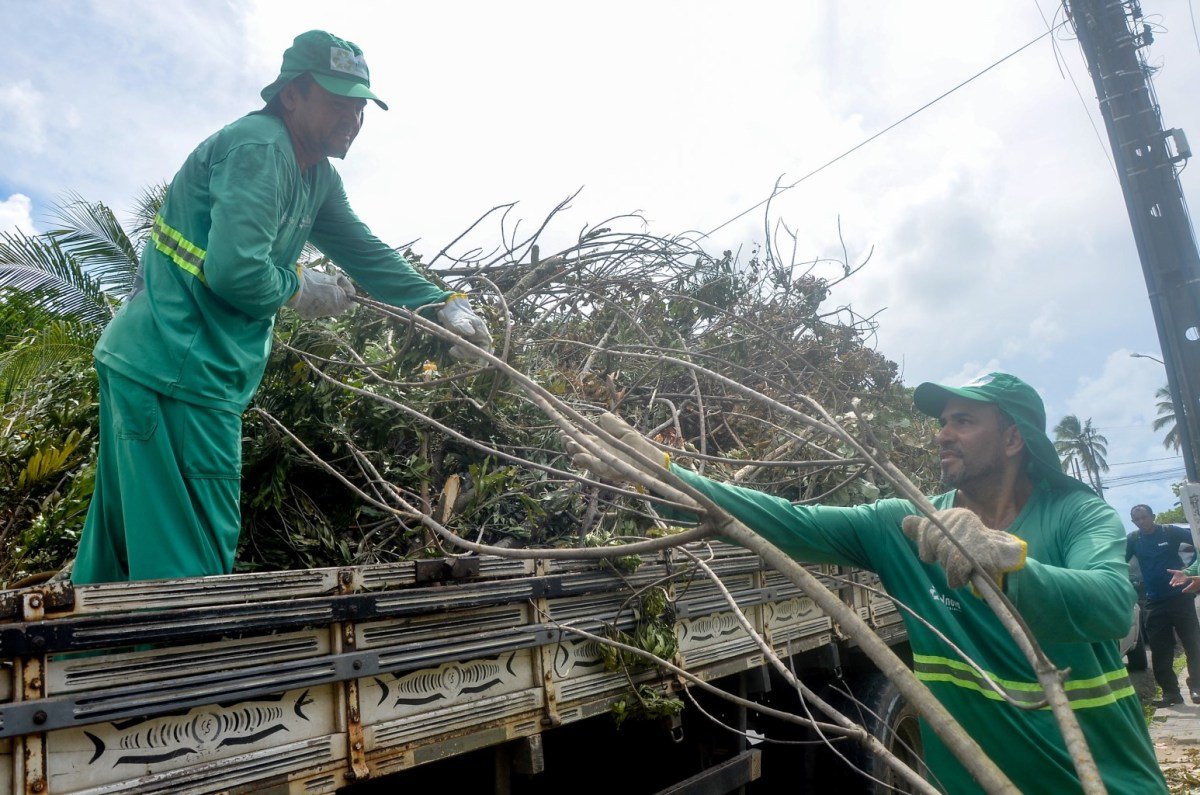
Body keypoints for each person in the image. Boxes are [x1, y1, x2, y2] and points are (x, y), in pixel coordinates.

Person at [564, 372, 1166, 794]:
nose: (942, 433)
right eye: (940, 421)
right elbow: (786, 521)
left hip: (1105, 783)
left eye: (963, 420)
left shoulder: (1077, 515)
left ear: (1013, 440)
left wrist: (1008, 563)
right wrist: (665, 477)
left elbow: (1111, 604)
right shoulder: (905, 526)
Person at [72, 30, 491, 586]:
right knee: (188, 556)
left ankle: (85, 666)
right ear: (291, 95)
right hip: (178, 370)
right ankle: (190, 670)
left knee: (121, 553)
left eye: (360, 105)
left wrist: (443, 303)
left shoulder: (316, 175)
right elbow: (234, 270)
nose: (353, 118)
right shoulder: (260, 147)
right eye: (338, 100)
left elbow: (365, 252)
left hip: (158, 366)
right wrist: (297, 286)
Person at [1127, 504, 1200, 706]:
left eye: (1144, 517)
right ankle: (1171, 694)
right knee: (1160, 650)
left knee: (1193, 644)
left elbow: (1197, 543)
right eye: (1137, 519)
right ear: (1133, 522)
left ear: (1153, 516)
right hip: (1154, 601)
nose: (1141, 522)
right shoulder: (1133, 540)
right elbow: (1119, 563)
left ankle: (1196, 687)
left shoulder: (1170, 531)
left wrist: (1191, 569)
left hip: (1181, 597)